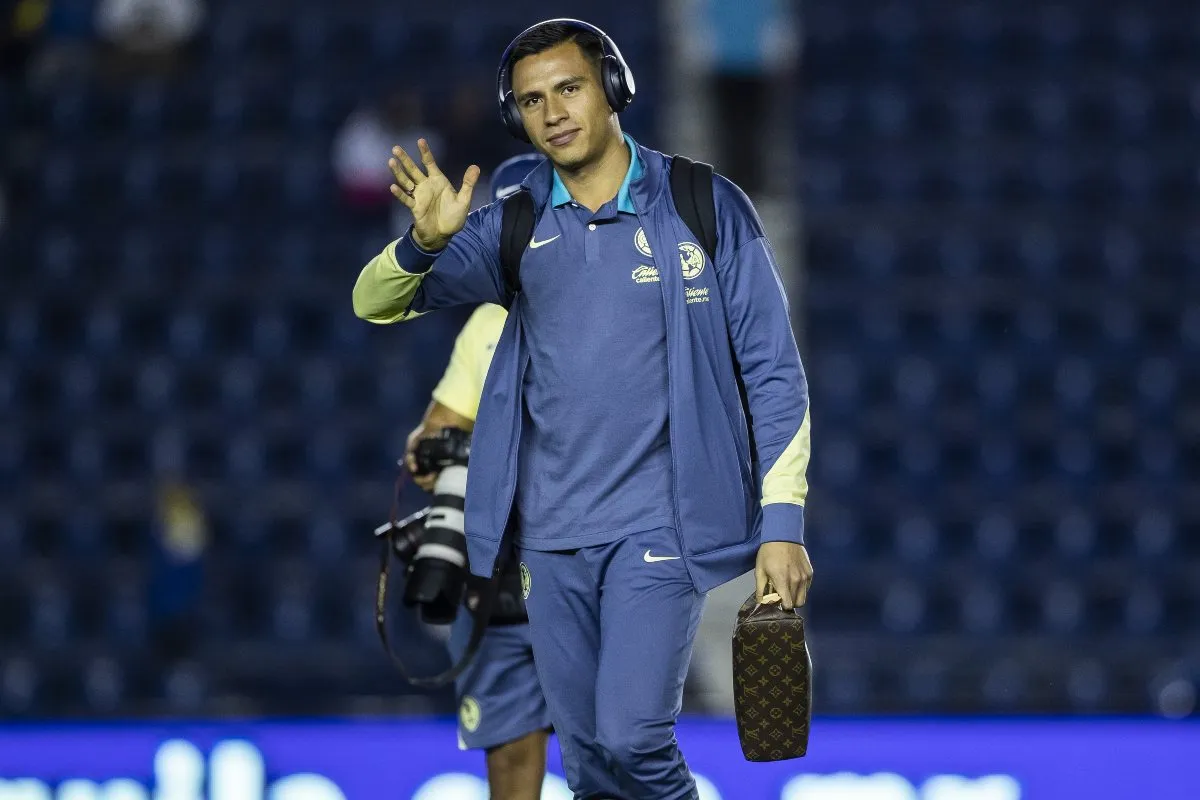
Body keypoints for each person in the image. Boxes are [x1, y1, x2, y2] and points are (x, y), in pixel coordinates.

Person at [353, 18, 813, 799]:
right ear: (517, 119)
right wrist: (421, 245)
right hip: (547, 541)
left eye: (569, 88)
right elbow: (375, 302)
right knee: (592, 762)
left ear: (613, 90)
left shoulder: (704, 206)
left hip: (659, 530)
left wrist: (783, 527)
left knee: (632, 737)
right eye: (532, 101)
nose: (554, 112)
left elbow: (775, 374)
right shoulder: (513, 221)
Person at [403, 152, 551, 800]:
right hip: (500, 578)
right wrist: (433, 449)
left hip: (594, 570)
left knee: (617, 750)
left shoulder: (630, 310)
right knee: (511, 758)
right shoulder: (488, 323)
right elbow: (432, 442)